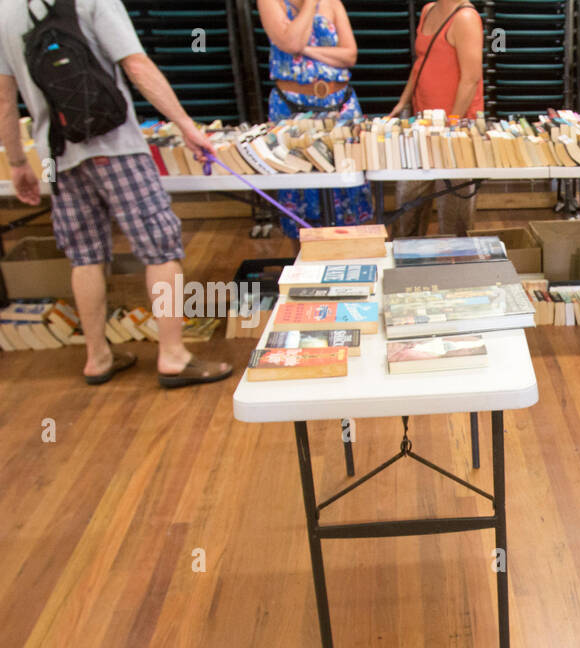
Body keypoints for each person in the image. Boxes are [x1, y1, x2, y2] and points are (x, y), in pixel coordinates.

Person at [0, 0, 232, 387]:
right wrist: (187, 127)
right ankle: (173, 356)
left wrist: (18, 162)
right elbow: (137, 65)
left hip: (55, 154)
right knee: (161, 248)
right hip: (115, 146)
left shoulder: (5, 11)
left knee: (83, 255)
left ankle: (98, 357)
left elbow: (5, 100)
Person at [258, 0, 373, 238]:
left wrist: (306, 51)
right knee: (299, 182)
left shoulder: (333, 3)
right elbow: (291, 42)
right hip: (291, 108)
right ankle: (305, 263)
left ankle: (354, 252)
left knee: (349, 177)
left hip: (341, 105)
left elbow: (350, 55)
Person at [389, 0, 484, 238]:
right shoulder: (428, 10)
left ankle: (456, 270)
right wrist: (403, 101)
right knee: (406, 208)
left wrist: (451, 123)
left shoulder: (465, 18)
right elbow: (420, 62)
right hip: (422, 125)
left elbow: (470, 78)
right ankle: (406, 269)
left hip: (456, 131)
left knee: (454, 219)